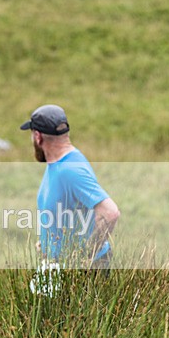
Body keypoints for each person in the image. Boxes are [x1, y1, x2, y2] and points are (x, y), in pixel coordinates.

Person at [19, 104, 120, 275]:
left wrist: (87, 254)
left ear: (38, 137)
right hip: (60, 268)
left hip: (83, 272)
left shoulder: (70, 170)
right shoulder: (59, 163)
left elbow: (110, 213)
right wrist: (47, 243)